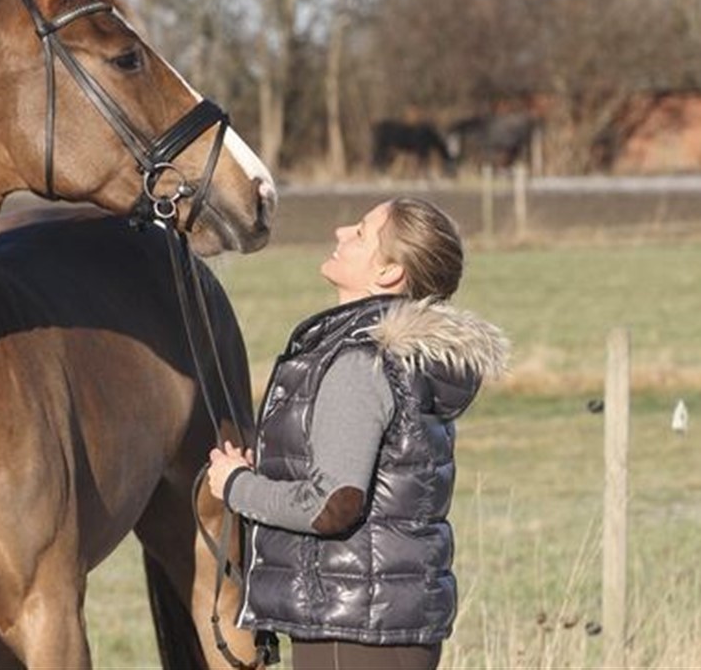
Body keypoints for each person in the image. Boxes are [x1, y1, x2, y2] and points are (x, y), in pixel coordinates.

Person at [208, 196, 508, 670]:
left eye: (362, 233)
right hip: (375, 624)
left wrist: (236, 486)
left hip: (351, 629)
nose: (341, 231)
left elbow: (332, 505)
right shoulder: (396, 360)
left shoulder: (361, 364)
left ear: (389, 273)